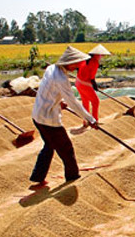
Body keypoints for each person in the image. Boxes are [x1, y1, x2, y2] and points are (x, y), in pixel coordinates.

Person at [30, 46, 98, 189]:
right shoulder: (61, 78)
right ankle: (73, 177)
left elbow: (48, 88)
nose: (78, 66)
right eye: (76, 64)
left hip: (37, 114)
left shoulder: (51, 69)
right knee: (66, 148)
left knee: (49, 146)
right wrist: (90, 119)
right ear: (69, 62)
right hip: (48, 119)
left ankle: (38, 178)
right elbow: (73, 102)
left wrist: (58, 101)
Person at [71, 44, 111, 135]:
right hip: (85, 84)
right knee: (95, 101)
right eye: (100, 55)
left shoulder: (85, 59)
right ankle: (94, 121)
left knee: (85, 102)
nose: (101, 57)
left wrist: (92, 84)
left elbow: (78, 69)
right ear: (96, 55)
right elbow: (92, 77)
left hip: (78, 82)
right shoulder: (94, 62)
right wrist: (95, 85)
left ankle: (86, 121)